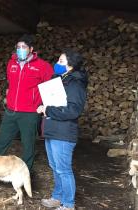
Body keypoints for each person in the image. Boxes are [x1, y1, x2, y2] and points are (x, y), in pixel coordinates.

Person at [0, 34, 53, 171]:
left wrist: (45, 106)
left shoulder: (43, 66)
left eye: (23, 47)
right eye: (18, 47)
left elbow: (51, 88)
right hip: (11, 111)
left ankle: (25, 173)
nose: (20, 49)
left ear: (31, 49)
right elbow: (11, 84)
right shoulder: (11, 63)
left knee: (28, 144)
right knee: (1, 141)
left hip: (30, 113)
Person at [37, 49, 88, 210]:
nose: (57, 64)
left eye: (61, 62)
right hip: (52, 129)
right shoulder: (60, 80)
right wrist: (44, 107)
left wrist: (49, 110)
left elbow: (73, 111)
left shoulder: (75, 84)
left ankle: (68, 204)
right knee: (54, 166)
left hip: (64, 133)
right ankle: (57, 197)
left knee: (64, 169)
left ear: (71, 65)